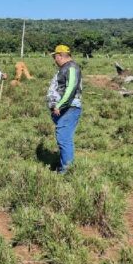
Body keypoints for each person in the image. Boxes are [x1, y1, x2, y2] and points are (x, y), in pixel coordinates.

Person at [46, 45, 83, 173]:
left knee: (63, 138)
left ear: (60, 56)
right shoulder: (66, 68)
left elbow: (71, 88)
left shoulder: (71, 67)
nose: (54, 60)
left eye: (55, 57)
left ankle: (66, 171)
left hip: (69, 107)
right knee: (63, 137)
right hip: (65, 108)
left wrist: (59, 105)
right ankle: (65, 167)